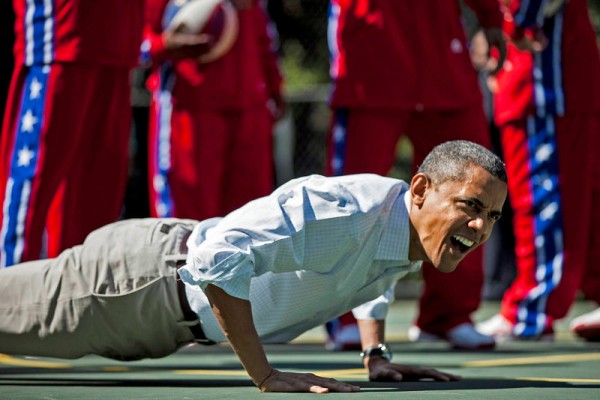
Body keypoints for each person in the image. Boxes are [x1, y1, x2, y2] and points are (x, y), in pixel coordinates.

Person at [0, 140, 507, 393]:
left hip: (161, 315)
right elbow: (215, 257)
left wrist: (375, 353)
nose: (481, 228)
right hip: (133, 283)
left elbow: (373, 279)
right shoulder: (346, 210)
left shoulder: (403, 231)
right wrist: (264, 374)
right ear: (420, 190)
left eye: (492, 216)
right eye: (470, 206)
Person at [324, 0, 507, 350]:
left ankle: (449, 315)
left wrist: (489, 17)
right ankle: (344, 314)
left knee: (474, 188)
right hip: (372, 59)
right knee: (350, 196)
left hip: (442, 57)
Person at [475, 0, 600, 341]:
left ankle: (532, 306)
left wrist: (513, 26)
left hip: (544, 83)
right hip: (558, 79)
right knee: (583, 199)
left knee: (544, 196)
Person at [0, 0, 147, 267]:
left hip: (118, 45)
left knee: (95, 210)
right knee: (30, 197)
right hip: (61, 38)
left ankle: (77, 303)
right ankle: (7, 296)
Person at [142, 0, 284, 221]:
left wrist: (275, 89)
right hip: (191, 109)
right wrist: (164, 45)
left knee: (252, 222)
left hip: (250, 107)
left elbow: (264, 36)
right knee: (187, 225)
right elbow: (137, 39)